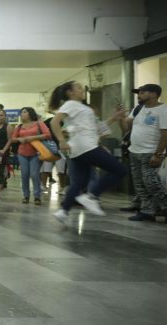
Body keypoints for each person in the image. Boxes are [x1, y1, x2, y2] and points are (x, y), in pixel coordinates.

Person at [49, 81, 128, 225]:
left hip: (78, 148)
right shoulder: (71, 104)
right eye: (78, 87)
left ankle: (63, 210)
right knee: (120, 170)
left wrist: (114, 118)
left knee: (80, 181)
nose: (82, 89)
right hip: (86, 146)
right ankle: (91, 196)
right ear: (70, 92)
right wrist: (61, 140)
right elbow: (54, 122)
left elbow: (95, 128)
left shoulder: (81, 108)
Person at [121, 84, 167, 222]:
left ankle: (164, 207)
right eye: (138, 93)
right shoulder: (138, 108)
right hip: (134, 151)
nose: (139, 95)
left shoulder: (163, 109)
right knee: (139, 184)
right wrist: (121, 117)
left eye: (142, 92)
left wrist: (157, 154)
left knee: (152, 183)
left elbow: (165, 134)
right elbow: (125, 127)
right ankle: (147, 211)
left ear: (153, 94)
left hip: (151, 152)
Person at [10, 107, 51, 205]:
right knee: (24, 175)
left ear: (30, 114)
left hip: (36, 153)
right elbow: (13, 139)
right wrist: (19, 139)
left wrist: (32, 138)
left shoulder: (39, 123)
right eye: (21, 112)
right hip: (22, 153)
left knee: (34, 174)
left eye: (24, 112)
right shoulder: (19, 126)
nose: (22, 114)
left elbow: (48, 135)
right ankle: (26, 196)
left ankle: (37, 197)